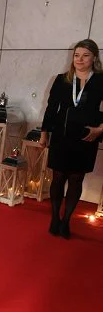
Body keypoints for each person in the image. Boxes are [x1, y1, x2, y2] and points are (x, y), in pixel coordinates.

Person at [39, 38, 103, 239]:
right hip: (61, 136)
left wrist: (101, 128)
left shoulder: (101, 80)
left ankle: (66, 220)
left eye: (85, 55)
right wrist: (44, 133)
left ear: (94, 58)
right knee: (58, 177)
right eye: (77, 55)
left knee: (76, 179)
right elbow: (51, 109)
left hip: (86, 138)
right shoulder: (62, 79)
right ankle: (55, 218)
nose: (80, 59)